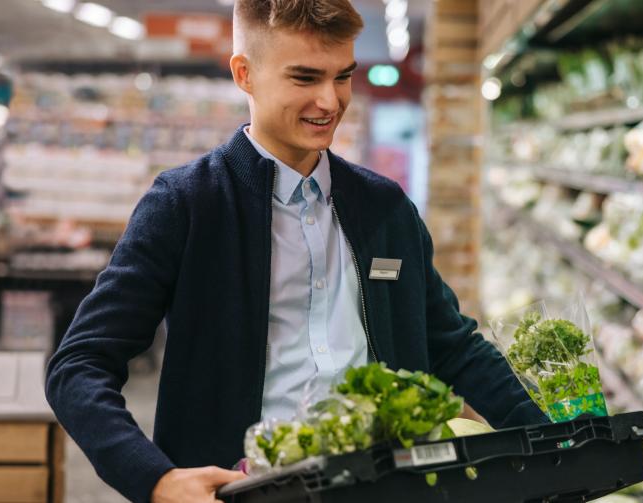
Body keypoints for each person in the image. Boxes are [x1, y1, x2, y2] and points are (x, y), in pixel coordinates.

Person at [44, 1, 546, 502]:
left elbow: (454, 346)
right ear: (245, 74)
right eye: (305, 79)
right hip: (243, 492)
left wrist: (557, 444)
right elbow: (79, 364)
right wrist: (154, 479)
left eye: (342, 76)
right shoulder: (187, 204)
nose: (330, 101)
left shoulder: (385, 208)